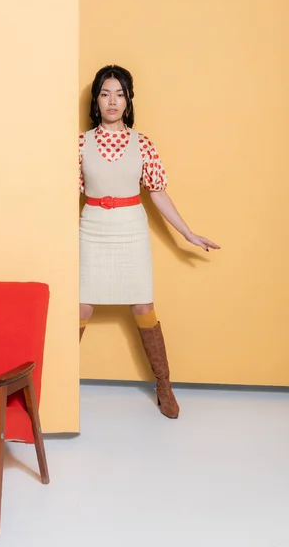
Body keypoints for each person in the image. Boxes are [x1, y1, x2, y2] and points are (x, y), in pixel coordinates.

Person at [79, 65, 220, 419]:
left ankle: (164, 385)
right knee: (80, 308)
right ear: (96, 100)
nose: (113, 101)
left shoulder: (143, 144)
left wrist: (187, 233)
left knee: (143, 307)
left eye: (120, 94)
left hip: (131, 229)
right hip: (92, 227)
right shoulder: (80, 143)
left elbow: (157, 194)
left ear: (128, 101)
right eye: (105, 93)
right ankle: (52, 387)